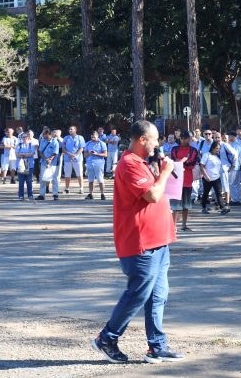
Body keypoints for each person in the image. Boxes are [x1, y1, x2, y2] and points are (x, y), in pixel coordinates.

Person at [92, 120, 185, 365]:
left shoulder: (143, 163)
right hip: (140, 243)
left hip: (159, 241)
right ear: (142, 140)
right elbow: (153, 195)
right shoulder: (129, 164)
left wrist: (159, 172)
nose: (158, 143)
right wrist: (165, 172)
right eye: (155, 139)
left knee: (158, 295)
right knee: (138, 294)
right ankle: (107, 338)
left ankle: (157, 346)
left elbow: (154, 191)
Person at [170, 131, 199, 232]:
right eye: (181, 138)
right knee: (175, 205)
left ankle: (184, 225)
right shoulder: (175, 148)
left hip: (187, 180)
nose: (183, 140)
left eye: (185, 138)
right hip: (176, 180)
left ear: (189, 139)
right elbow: (173, 161)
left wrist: (180, 161)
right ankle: (174, 226)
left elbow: (192, 163)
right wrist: (183, 160)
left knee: (186, 205)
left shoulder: (193, 150)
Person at [199, 141, 230, 215]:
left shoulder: (217, 156)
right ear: (212, 148)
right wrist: (206, 176)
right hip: (207, 178)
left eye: (219, 149)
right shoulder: (207, 155)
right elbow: (202, 166)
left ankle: (222, 208)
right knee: (206, 193)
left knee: (219, 193)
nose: (218, 150)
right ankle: (203, 208)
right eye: (216, 148)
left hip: (216, 177)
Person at [35, 129, 60, 200]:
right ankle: (42, 195)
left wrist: (50, 159)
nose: (43, 135)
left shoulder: (55, 142)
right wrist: (45, 159)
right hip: (44, 162)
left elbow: (55, 152)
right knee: (42, 178)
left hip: (53, 163)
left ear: (48, 134)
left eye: (44, 134)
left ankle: (55, 194)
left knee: (54, 179)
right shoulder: (42, 141)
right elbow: (40, 152)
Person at [84, 131, 108, 200]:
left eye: (94, 137)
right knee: (90, 180)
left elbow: (105, 154)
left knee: (100, 179)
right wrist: (89, 153)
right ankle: (90, 194)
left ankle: (102, 194)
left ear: (98, 136)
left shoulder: (102, 144)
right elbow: (85, 155)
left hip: (99, 163)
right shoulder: (88, 144)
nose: (93, 138)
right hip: (90, 163)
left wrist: (96, 154)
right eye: (92, 137)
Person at [62, 126, 86, 195]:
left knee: (79, 174)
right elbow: (63, 148)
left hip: (77, 159)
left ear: (75, 130)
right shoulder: (66, 138)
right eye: (69, 129)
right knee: (67, 174)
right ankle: (67, 188)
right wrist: (70, 154)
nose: (70, 130)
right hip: (67, 158)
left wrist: (75, 155)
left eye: (71, 129)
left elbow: (81, 148)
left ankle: (81, 188)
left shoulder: (80, 137)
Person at [15, 133, 36, 200]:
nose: (24, 138)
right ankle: (21, 196)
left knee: (29, 181)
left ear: (28, 138)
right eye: (23, 137)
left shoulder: (32, 145)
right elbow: (17, 154)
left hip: (29, 165)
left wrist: (23, 154)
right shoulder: (18, 145)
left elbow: (32, 154)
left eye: (26, 137)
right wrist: (26, 154)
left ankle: (30, 195)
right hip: (20, 165)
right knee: (21, 181)